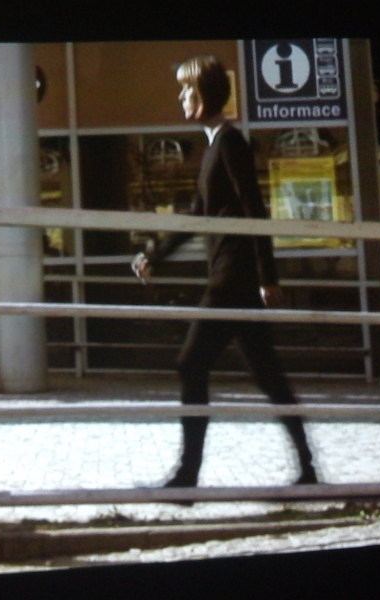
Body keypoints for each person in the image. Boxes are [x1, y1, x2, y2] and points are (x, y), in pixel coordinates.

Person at [132, 56, 317, 500]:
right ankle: (308, 468)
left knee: (191, 363)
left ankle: (187, 476)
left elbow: (255, 210)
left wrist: (268, 277)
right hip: (232, 276)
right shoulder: (213, 146)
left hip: (233, 277)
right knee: (268, 375)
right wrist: (156, 256)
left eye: (187, 89)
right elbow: (197, 216)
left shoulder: (231, 143)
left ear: (205, 94)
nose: (181, 97)